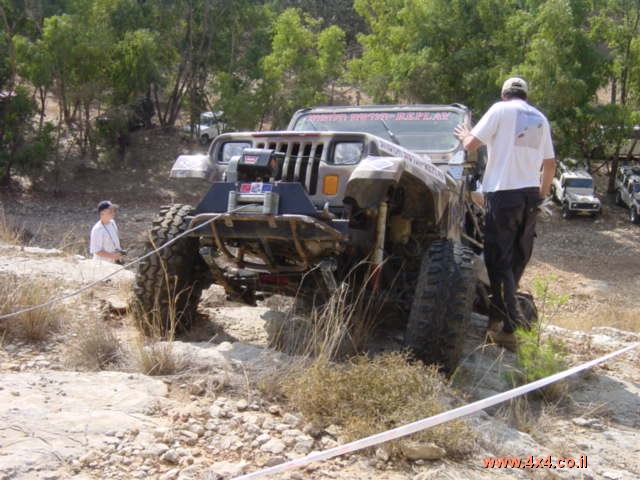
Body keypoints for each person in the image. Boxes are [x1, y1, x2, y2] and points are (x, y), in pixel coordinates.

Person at [454, 77, 556, 351]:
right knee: (515, 261)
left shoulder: (499, 110)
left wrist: (465, 135)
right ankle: (501, 322)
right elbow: (550, 164)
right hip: (529, 197)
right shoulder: (540, 118)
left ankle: (510, 328)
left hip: (502, 194)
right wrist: (540, 196)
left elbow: (471, 145)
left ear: (504, 95)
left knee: (498, 261)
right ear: (525, 95)